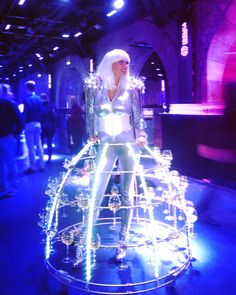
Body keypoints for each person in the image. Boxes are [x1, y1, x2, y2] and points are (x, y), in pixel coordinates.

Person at [84, 49, 147, 261]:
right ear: (110, 62)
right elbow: (90, 115)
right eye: (121, 61)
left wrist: (142, 135)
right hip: (105, 145)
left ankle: (123, 241)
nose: (125, 65)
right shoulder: (94, 88)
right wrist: (91, 134)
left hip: (128, 144)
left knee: (126, 193)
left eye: (127, 62)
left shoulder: (132, 88)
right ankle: (86, 240)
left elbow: (138, 116)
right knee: (96, 192)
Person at [0, 84, 24, 197]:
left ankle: (13, 187)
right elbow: (20, 120)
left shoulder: (9, 103)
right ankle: (3, 186)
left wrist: (15, 135)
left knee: (10, 163)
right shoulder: (10, 103)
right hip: (7, 136)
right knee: (5, 163)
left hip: (8, 137)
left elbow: (20, 120)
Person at [23, 80, 45, 173]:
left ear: (27, 88)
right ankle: (42, 165)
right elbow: (42, 112)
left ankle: (33, 167)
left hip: (29, 124)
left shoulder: (26, 99)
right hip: (38, 123)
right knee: (39, 144)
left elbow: (26, 113)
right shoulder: (39, 98)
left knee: (31, 146)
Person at [40, 93, 56, 164]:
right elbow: (54, 117)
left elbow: (39, 117)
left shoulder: (40, 107)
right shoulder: (51, 106)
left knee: (41, 143)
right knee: (49, 143)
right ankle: (49, 159)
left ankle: (41, 158)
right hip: (50, 127)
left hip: (42, 127)